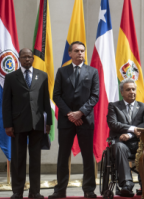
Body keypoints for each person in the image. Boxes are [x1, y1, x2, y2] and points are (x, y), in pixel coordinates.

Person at [49, 41, 99, 199]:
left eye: (82, 51)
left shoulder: (92, 72)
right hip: (66, 121)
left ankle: (89, 190)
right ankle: (60, 190)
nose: (80, 53)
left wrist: (81, 113)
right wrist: (71, 114)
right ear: (70, 53)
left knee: (87, 157)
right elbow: (56, 95)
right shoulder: (62, 72)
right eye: (77, 51)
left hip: (85, 120)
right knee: (63, 156)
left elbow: (94, 96)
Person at [2, 48, 52, 199]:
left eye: (30, 57)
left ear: (33, 58)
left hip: (37, 124)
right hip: (17, 124)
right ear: (19, 59)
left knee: (35, 159)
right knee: (18, 159)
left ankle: (35, 191)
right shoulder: (11, 77)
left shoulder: (42, 76)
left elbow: (45, 101)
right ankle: (17, 191)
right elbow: (6, 103)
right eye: (24, 57)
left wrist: (48, 122)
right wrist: (8, 124)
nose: (27, 59)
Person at [107, 78, 144, 197]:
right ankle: (126, 184)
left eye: (133, 89)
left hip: (140, 142)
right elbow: (113, 124)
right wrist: (132, 129)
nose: (132, 92)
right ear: (122, 92)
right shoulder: (113, 106)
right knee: (119, 147)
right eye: (128, 89)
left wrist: (129, 133)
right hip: (121, 143)